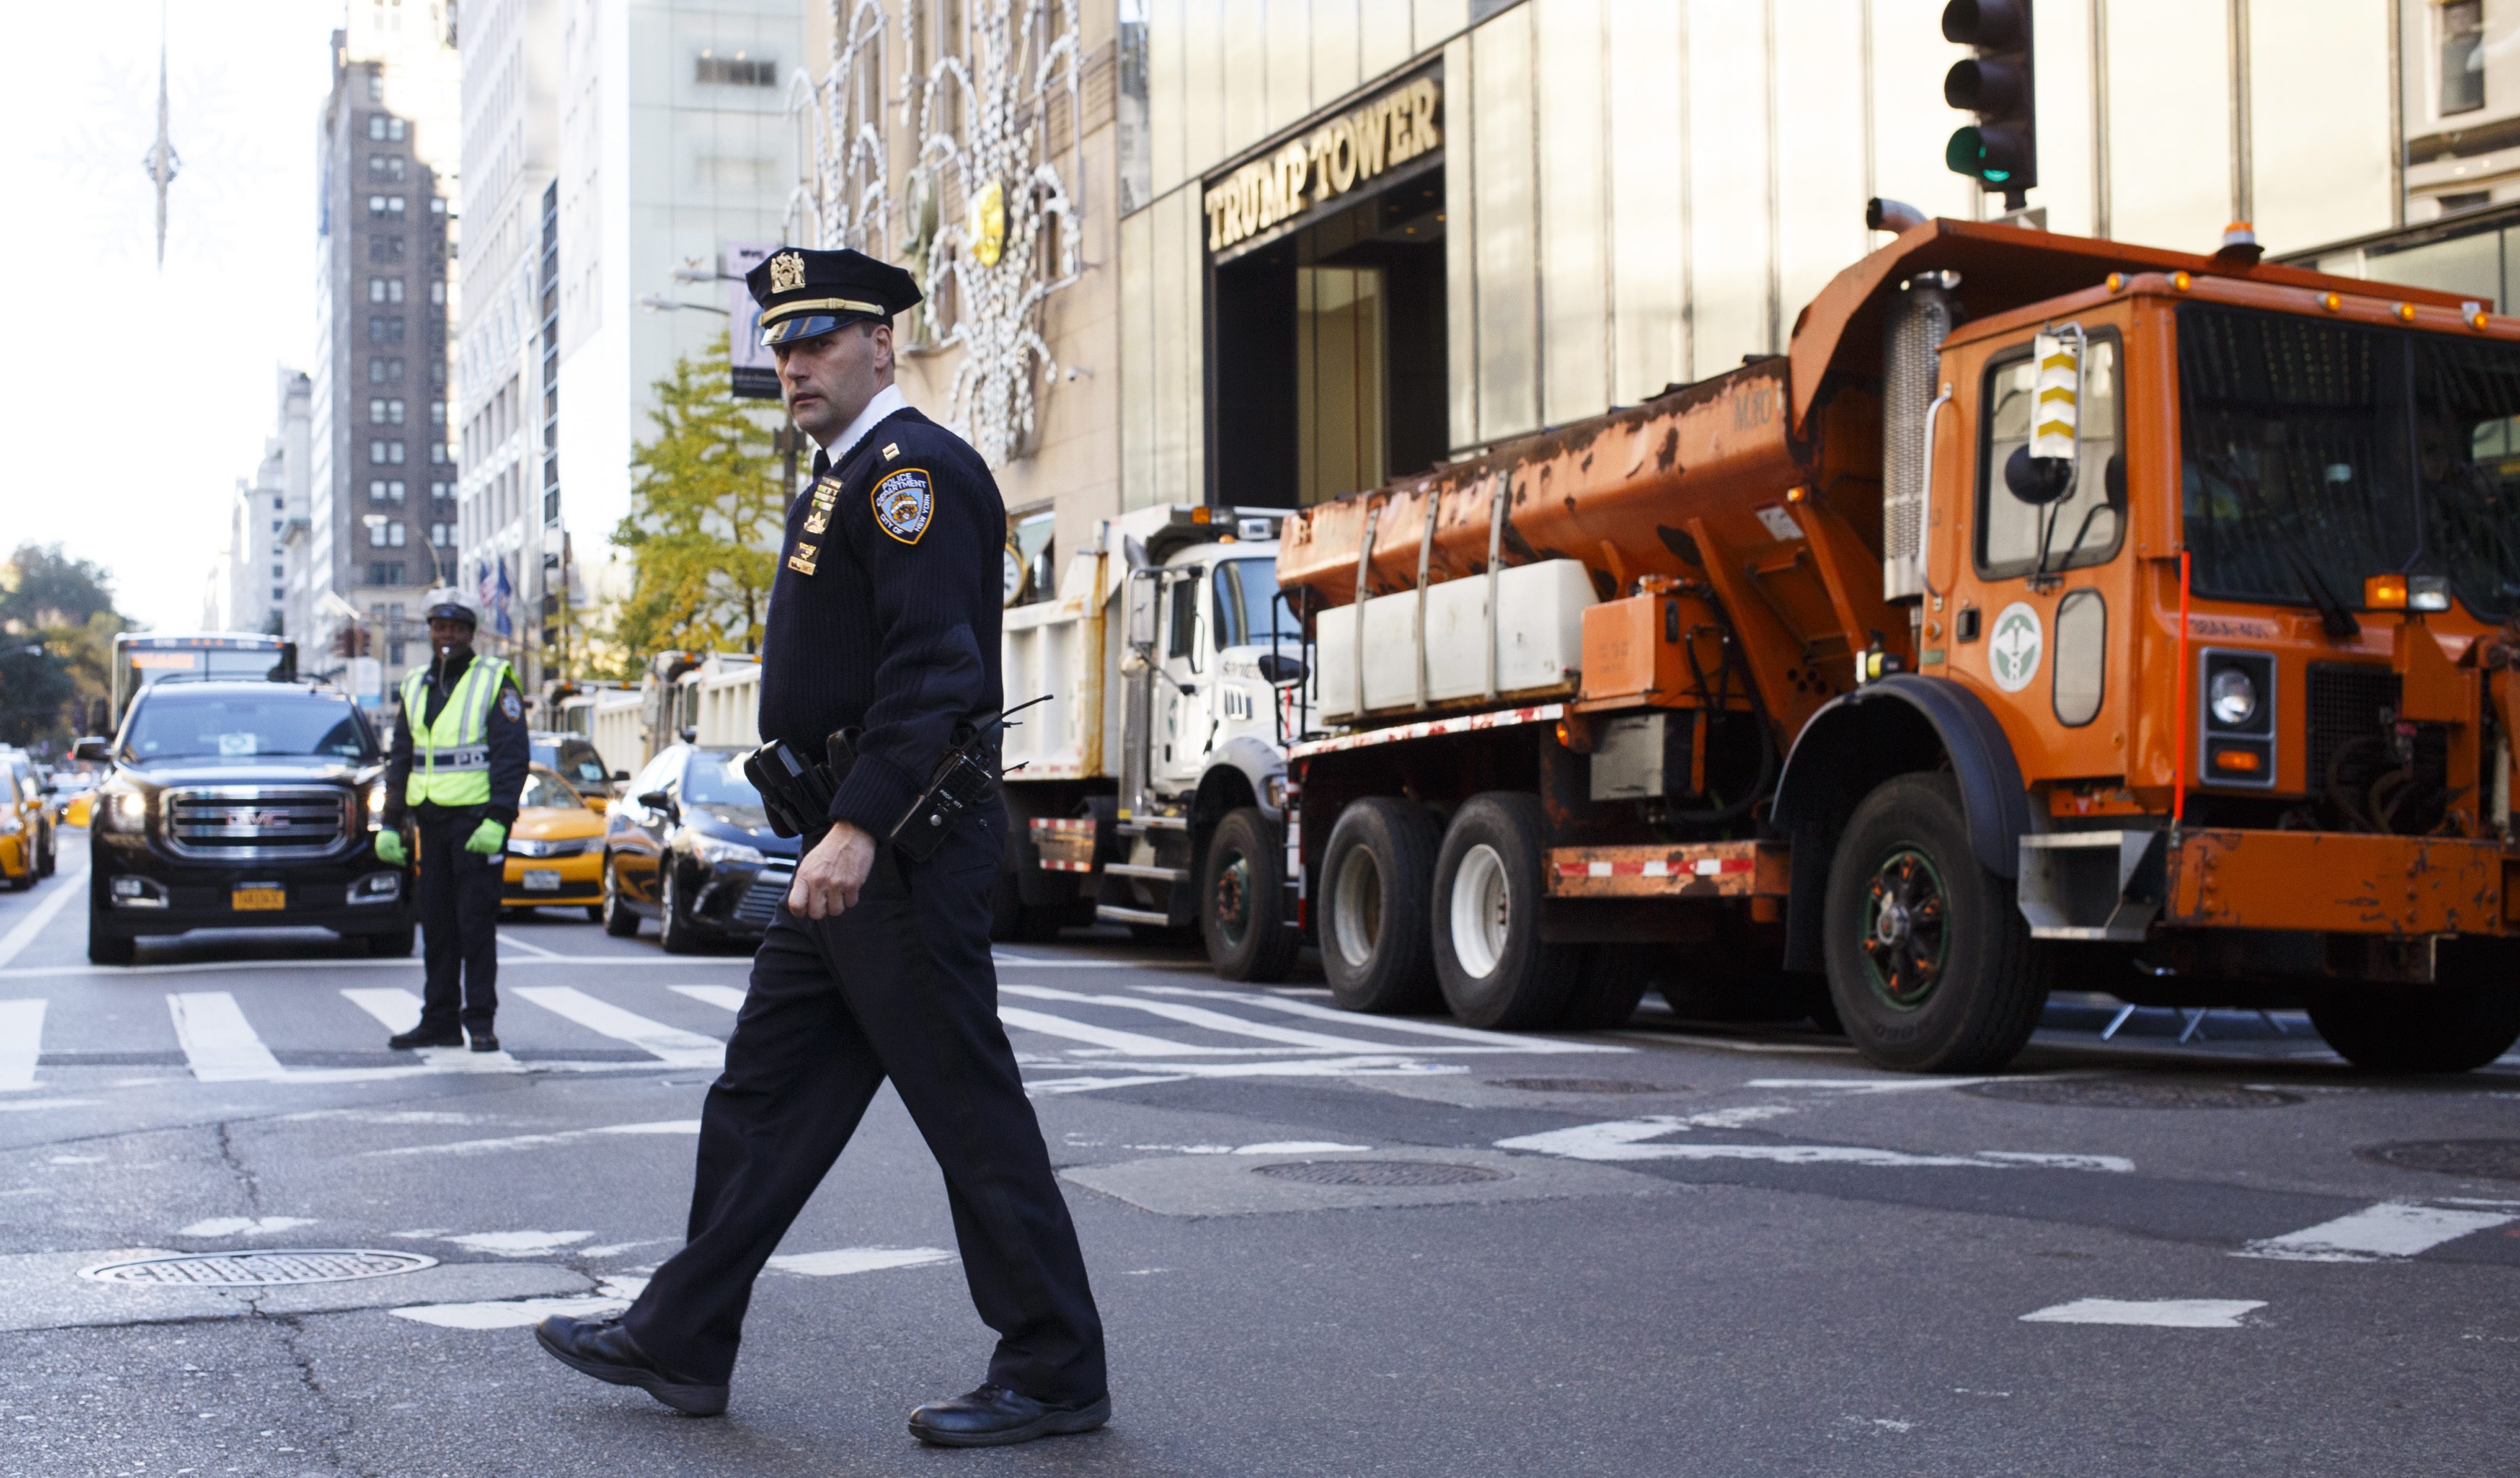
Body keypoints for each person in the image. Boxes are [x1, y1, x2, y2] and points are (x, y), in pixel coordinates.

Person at [533, 247, 1109, 1447]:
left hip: (891, 846)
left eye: (819, 340)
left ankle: (1053, 1364)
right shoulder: (843, 478)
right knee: (761, 1095)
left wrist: (855, 825)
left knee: (963, 1103)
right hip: (844, 846)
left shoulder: (911, 474)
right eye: (782, 344)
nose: (793, 363)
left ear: (883, 345)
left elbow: (932, 666)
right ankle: (683, 1332)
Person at [375, 590, 528, 1053]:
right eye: (439, 627)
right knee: (437, 926)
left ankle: (480, 1021)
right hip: (432, 824)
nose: (446, 636)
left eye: (456, 628)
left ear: (471, 633)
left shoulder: (495, 679)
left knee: (475, 925)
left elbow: (511, 756)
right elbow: (402, 756)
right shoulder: (415, 683)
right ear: (430, 631)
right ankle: (439, 1019)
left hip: (476, 824)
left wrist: (499, 819)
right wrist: (389, 821)